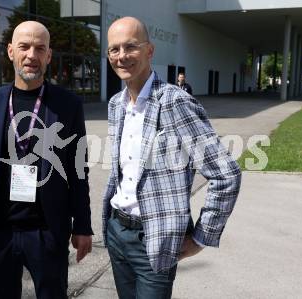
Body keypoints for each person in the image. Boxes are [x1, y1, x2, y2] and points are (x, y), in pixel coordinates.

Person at [102, 16, 241, 298]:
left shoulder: (175, 101)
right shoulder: (116, 104)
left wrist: (202, 236)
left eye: (130, 47)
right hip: (117, 231)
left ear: (149, 51)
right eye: (114, 50)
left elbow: (226, 174)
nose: (122, 56)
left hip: (153, 239)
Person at [0, 21, 93, 299]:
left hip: (46, 232)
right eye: (24, 47)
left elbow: (79, 171)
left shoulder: (68, 105)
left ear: (49, 56)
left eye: (40, 48)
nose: (32, 55)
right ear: (10, 51)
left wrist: (83, 226)